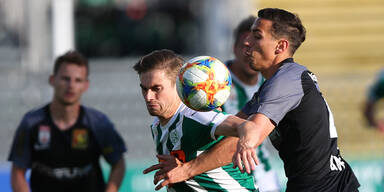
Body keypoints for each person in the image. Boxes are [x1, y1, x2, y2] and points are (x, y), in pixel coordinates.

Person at [148, 8, 361, 192]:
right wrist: (186, 163)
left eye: (257, 36)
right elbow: (234, 134)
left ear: (280, 46)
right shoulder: (272, 86)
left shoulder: (288, 79)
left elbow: (253, 134)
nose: (247, 43)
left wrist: (186, 170)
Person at [134, 49, 258, 191]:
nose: (148, 97)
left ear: (178, 85)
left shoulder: (196, 115)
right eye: (144, 89)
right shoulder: (157, 125)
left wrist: (246, 144)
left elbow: (248, 126)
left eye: (156, 89)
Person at [8, 51, 127, 192]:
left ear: (86, 85)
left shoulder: (98, 123)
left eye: (78, 80)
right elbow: (18, 172)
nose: (71, 85)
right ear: (52, 80)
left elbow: (118, 164)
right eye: (65, 78)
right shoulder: (31, 123)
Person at [222, 15, 281, 192]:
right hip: (226, 179)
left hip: (264, 179)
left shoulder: (273, 83)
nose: (250, 53)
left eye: (256, 46)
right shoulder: (214, 83)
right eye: (245, 47)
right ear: (234, 48)